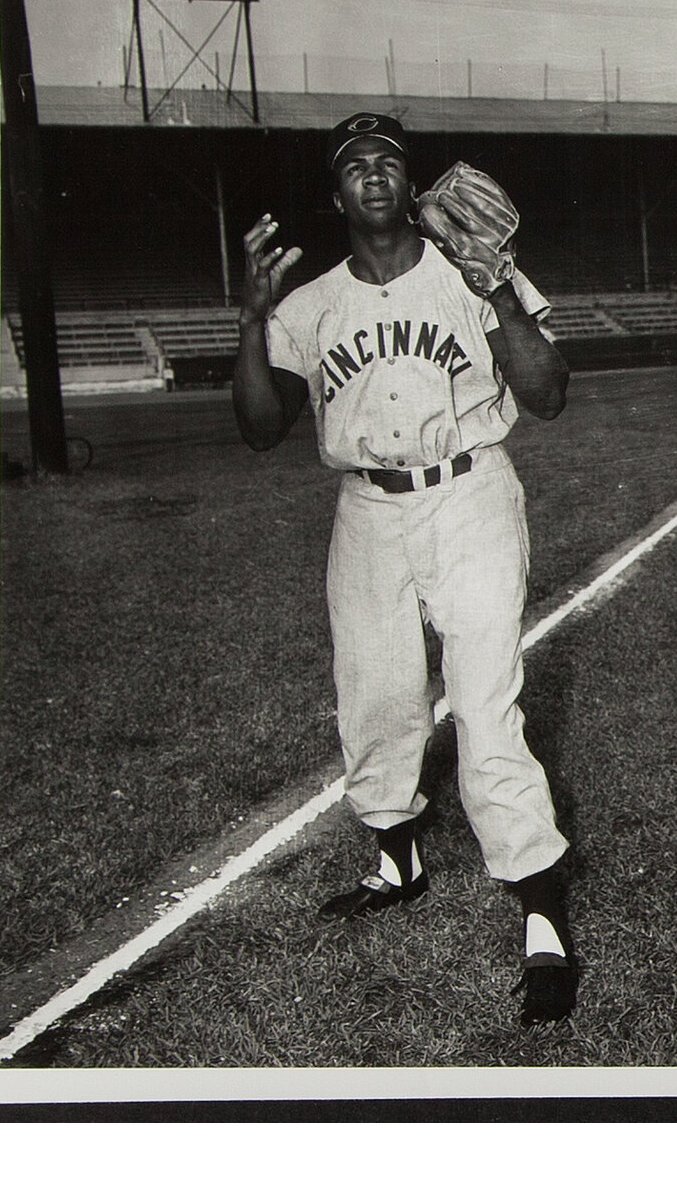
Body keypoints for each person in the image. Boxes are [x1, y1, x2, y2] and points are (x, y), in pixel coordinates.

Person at [233, 112, 580, 1024]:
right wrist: (252, 318)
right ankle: (397, 857)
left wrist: (499, 291)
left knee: (481, 696)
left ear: (410, 181)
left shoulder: (469, 271)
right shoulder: (310, 306)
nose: (374, 175)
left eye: (389, 160)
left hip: (469, 494)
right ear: (336, 193)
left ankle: (540, 905)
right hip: (366, 509)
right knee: (377, 694)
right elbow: (260, 428)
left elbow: (546, 396)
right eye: (355, 165)